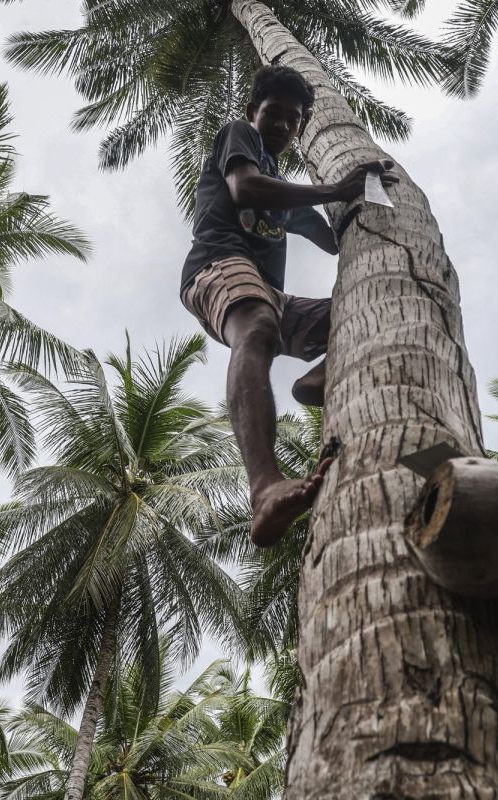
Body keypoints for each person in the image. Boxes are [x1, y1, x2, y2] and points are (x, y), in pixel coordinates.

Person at [180, 64, 397, 547]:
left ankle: (316, 377)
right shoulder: (240, 139)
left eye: (292, 119)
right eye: (272, 113)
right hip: (218, 264)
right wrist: (337, 189)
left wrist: (370, 200)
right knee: (257, 327)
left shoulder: (287, 191)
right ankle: (264, 487)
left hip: (271, 294)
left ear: (301, 128)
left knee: (374, 303)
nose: (281, 124)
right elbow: (245, 190)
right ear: (252, 112)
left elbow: (332, 236)